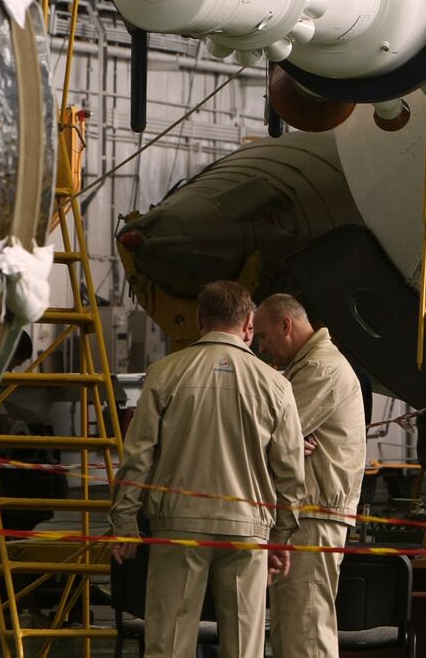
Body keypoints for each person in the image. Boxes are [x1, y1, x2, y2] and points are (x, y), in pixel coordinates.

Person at [109, 281, 305, 658]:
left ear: (200, 320)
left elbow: (137, 456)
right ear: (248, 324)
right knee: (244, 646)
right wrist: (281, 536)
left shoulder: (163, 373)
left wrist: (126, 523)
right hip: (248, 531)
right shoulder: (276, 385)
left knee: (168, 644)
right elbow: (290, 472)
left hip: (178, 528)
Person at [254, 294, 367, 658]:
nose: (261, 346)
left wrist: (280, 441)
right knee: (291, 634)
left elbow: (269, 433)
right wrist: (283, 442)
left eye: (263, 336)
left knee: (306, 635)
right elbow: (278, 435)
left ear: (286, 325)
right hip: (305, 515)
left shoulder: (321, 368)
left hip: (314, 517)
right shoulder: (306, 367)